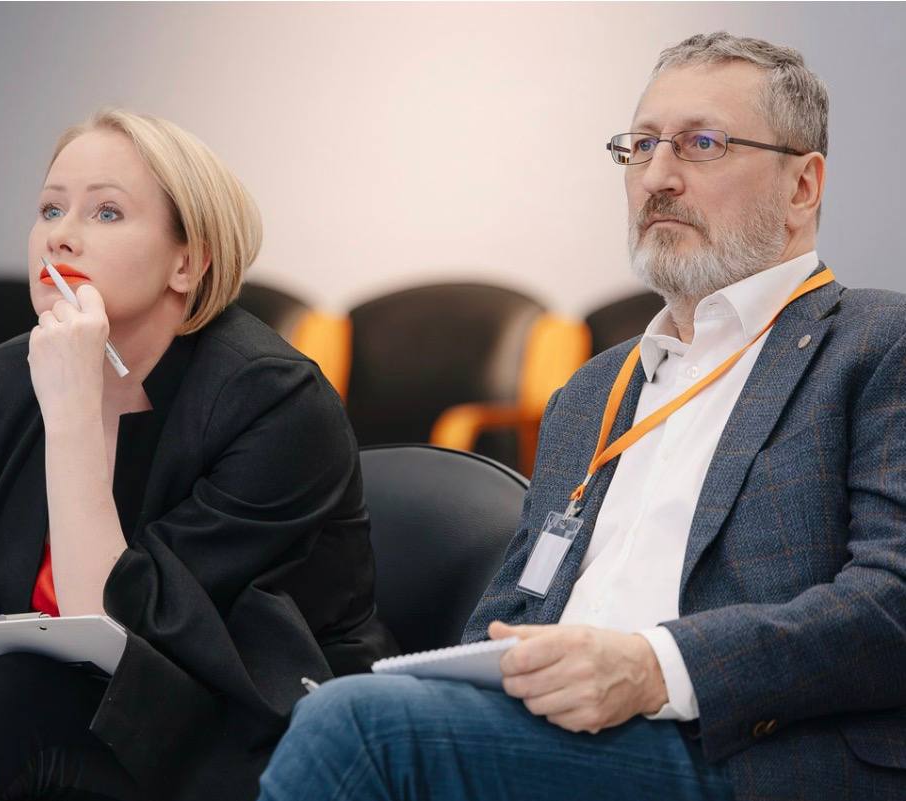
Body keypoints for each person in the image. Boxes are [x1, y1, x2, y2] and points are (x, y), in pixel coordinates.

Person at [259, 32, 906, 801]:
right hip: (559, 741)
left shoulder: (875, 344)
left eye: (702, 144)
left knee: (357, 727)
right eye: (641, 146)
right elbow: (513, 609)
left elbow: (892, 602)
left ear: (803, 185)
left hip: (750, 756)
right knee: (326, 707)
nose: (657, 177)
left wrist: (658, 667)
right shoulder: (593, 390)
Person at [0, 108, 396, 801]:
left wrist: (74, 413)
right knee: (13, 696)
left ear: (187, 262)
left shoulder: (274, 400)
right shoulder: (5, 382)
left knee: (21, 693)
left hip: (259, 740)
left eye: (106, 212)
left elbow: (123, 629)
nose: (60, 235)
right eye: (50, 209)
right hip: (48, 723)